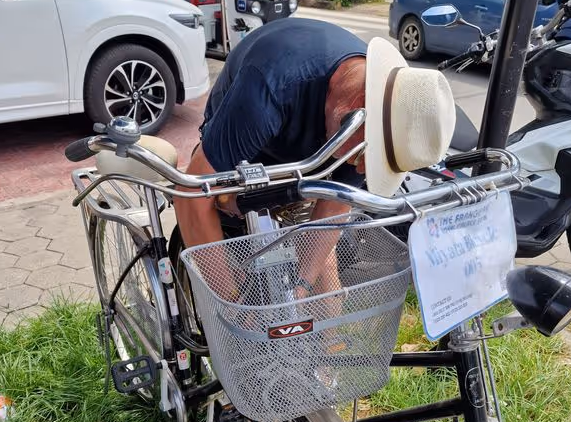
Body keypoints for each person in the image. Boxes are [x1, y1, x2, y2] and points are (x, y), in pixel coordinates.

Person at [174, 18, 455, 293]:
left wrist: (301, 288)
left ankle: (324, 320)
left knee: (325, 271)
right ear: (355, 109)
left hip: (309, 131)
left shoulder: (376, 114)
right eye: (366, 157)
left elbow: (335, 208)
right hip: (248, 123)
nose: (361, 170)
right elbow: (191, 193)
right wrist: (229, 300)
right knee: (228, 206)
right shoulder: (273, 85)